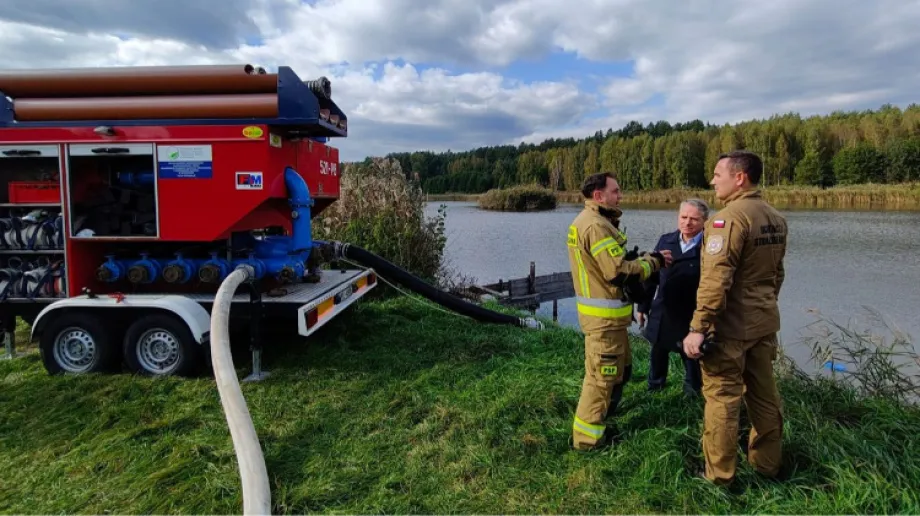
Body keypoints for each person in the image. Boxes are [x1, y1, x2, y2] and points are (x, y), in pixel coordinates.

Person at [682, 150, 787, 486]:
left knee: (722, 398)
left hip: (731, 328)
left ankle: (719, 475)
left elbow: (715, 280)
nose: (712, 180)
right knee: (763, 395)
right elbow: (777, 274)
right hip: (763, 322)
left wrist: (698, 327)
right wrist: (764, 306)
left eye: (717, 174)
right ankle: (767, 464)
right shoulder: (774, 217)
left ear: (739, 177)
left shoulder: (727, 219)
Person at [567, 171, 673, 450]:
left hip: (610, 320)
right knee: (601, 379)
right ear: (599, 195)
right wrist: (653, 263)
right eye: (615, 191)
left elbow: (609, 264)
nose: (620, 196)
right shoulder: (595, 225)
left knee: (620, 372)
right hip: (603, 322)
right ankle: (588, 441)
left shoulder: (597, 221)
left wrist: (637, 259)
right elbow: (615, 272)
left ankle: (602, 421)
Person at [637, 198, 710, 396]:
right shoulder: (665, 240)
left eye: (694, 219)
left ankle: (692, 392)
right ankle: (655, 387)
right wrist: (643, 307)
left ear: (705, 221)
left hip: (691, 311)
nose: (687, 223)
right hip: (663, 309)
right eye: (683, 217)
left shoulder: (709, 247)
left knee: (691, 355)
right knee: (658, 351)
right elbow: (652, 278)